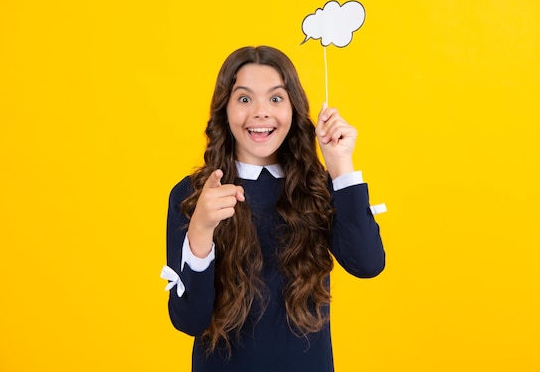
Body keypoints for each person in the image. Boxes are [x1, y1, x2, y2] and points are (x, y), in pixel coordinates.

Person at [161, 46, 385, 372]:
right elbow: (189, 320)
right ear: (224, 109)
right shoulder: (192, 195)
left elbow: (367, 263)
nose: (261, 112)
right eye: (245, 99)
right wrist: (201, 230)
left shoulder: (317, 187)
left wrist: (340, 166)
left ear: (294, 108)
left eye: (276, 99)